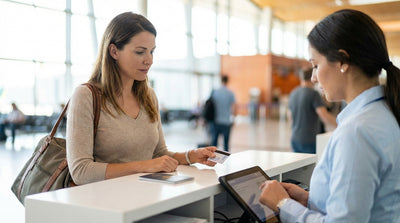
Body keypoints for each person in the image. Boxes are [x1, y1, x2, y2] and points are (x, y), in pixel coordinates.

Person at [259, 9, 400, 222]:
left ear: (342, 61)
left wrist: (283, 205)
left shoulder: (357, 132)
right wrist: (311, 200)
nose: (314, 77)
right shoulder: (384, 114)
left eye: (316, 65)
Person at [66, 12, 217, 186]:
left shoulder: (149, 96)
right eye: (140, 52)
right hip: (105, 204)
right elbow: (81, 171)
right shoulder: (86, 96)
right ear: (114, 51)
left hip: (147, 197)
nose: (149, 60)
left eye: (152, 52)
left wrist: (190, 156)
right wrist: (144, 166)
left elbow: (158, 153)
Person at [288, 68, 337, 154]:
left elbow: (290, 116)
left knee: (299, 166)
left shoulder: (293, 93)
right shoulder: (313, 94)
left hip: (295, 138)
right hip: (309, 140)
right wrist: (339, 124)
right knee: (312, 167)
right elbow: (323, 115)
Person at [211, 75, 237, 151]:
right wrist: (233, 119)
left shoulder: (215, 92)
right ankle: (226, 160)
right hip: (226, 121)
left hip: (215, 120)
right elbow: (234, 107)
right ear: (227, 81)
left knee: (214, 142)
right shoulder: (230, 93)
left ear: (220, 80)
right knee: (226, 143)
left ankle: (212, 159)